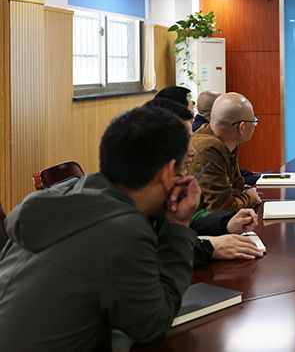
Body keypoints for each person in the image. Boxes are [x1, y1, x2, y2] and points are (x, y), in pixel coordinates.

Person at [0, 107, 199, 351]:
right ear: (168, 172)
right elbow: (152, 324)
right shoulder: (124, 231)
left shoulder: (66, 192)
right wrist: (178, 226)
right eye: (183, 168)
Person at [144, 98, 264, 263]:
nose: (193, 151)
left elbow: (193, 217)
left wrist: (226, 223)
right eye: (185, 140)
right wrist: (209, 247)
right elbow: (152, 253)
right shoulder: (124, 206)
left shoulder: (163, 185)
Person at [191, 92, 262, 211]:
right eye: (254, 121)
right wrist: (250, 197)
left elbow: (237, 187)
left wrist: (242, 196)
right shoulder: (210, 149)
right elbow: (221, 207)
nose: (255, 125)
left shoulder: (226, 141)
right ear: (242, 127)